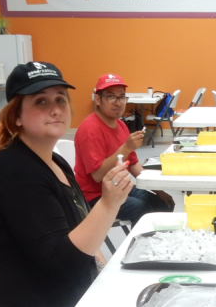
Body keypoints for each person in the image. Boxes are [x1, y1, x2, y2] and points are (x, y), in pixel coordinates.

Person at [0, 62, 133, 307]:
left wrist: (101, 266)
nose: (55, 109)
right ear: (17, 116)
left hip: (55, 303)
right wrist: (109, 204)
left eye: (60, 99)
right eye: (41, 101)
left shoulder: (52, 161)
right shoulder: (16, 173)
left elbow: (76, 228)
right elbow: (62, 262)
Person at [73, 73, 173, 225]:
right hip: (94, 195)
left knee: (163, 204)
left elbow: (133, 164)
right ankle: (141, 247)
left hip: (119, 187)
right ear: (98, 99)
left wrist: (158, 191)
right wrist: (126, 147)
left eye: (121, 97)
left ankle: (158, 245)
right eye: (111, 97)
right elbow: (98, 175)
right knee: (142, 209)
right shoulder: (90, 129)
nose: (118, 103)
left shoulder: (120, 125)